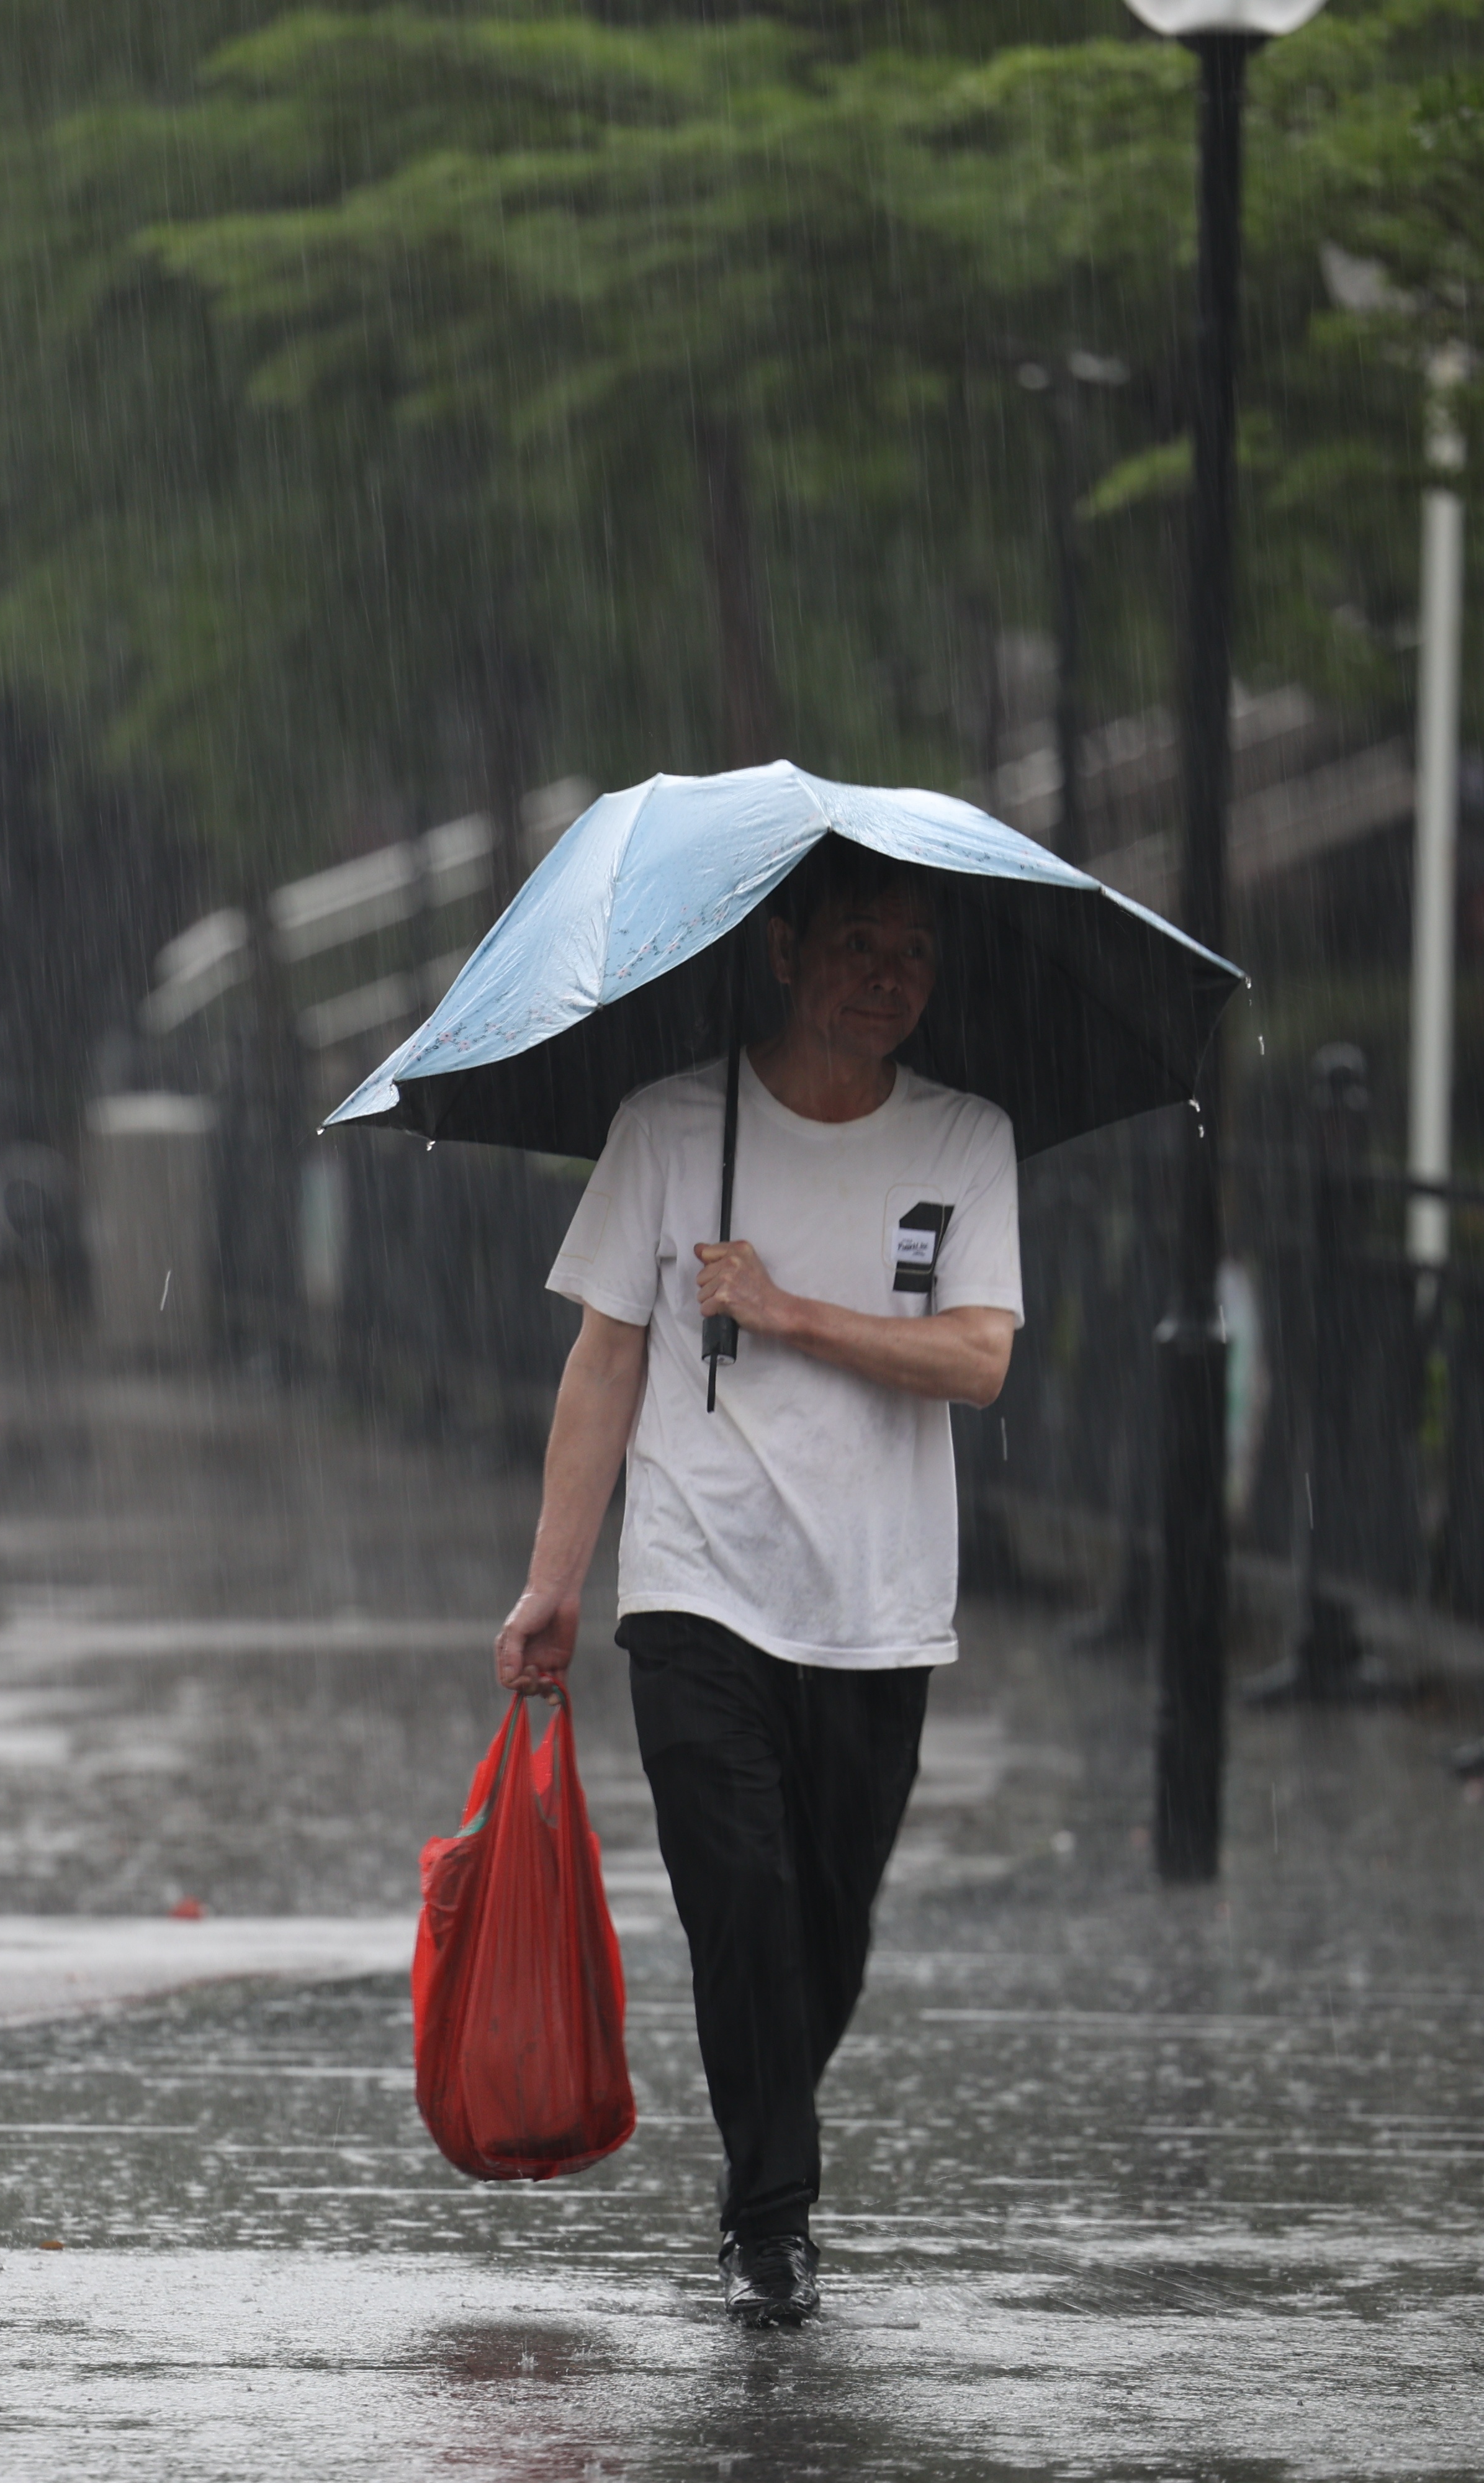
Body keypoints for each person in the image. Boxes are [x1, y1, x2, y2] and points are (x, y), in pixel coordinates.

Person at [494, 837, 1021, 2330]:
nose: (888, 977)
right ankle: (772, 2226)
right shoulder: (670, 1128)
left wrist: (788, 1311)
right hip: (696, 1584)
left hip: (878, 1604)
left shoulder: (965, 1138)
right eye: (858, 943)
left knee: (825, 1933)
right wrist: (553, 1582)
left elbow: (978, 1356)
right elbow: (606, 1359)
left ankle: (761, 2150)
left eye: (914, 952)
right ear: (784, 951)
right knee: (740, 1897)